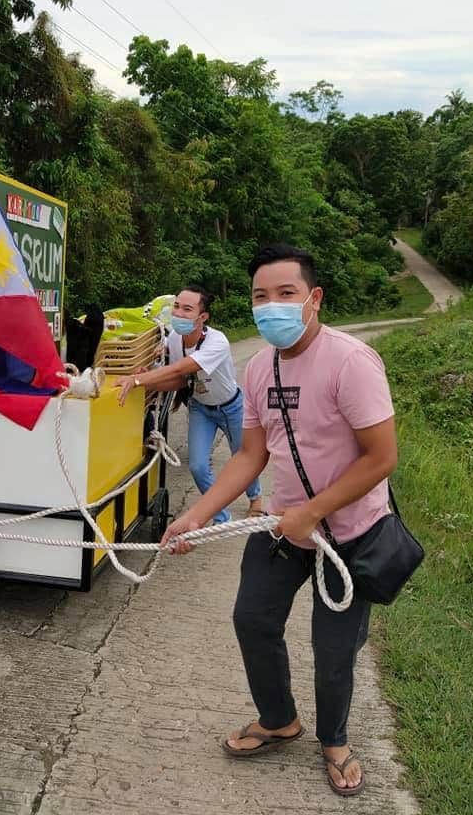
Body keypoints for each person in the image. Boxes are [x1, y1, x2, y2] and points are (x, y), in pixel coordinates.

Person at [161, 246, 398, 797]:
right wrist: (194, 517)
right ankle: (279, 720)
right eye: (260, 297)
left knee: (333, 648)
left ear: (312, 300)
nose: (272, 306)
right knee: (252, 620)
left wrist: (313, 512)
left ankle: (334, 740)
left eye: (285, 294)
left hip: (348, 535)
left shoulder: (351, 361)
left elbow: (381, 457)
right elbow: (250, 456)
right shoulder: (259, 366)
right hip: (282, 528)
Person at [116, 284, 262, 523]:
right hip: (200, 409)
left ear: (202, 317)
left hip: (232, 407)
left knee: (243, 456)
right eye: (176, 307)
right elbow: (178, 381)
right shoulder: (174, 339)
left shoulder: (217, 342)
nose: (179, 314)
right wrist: (146, 380)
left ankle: (255, 498)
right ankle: (220, 516)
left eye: (187, 309)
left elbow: (181, 368)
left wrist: (138, 379)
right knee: (197, 466)